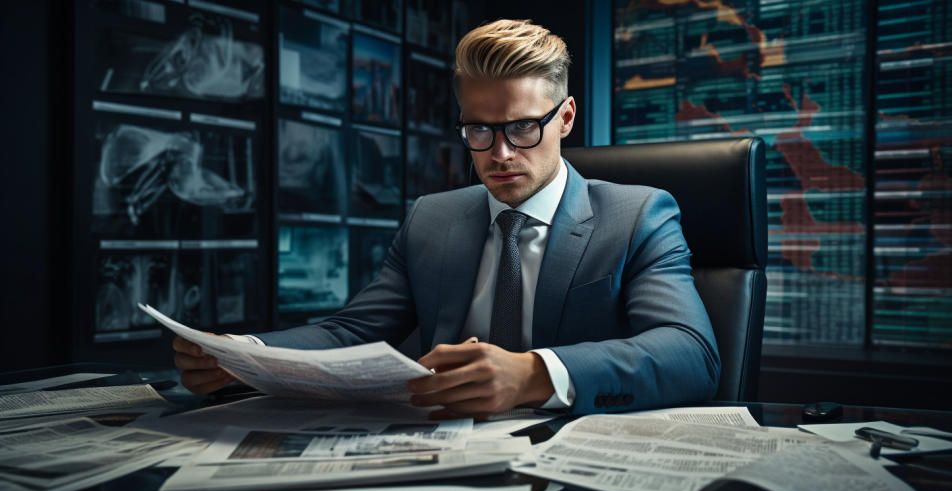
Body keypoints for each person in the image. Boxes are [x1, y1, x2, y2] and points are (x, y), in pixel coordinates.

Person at [174, 19, 720, 419]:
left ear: (566, 117)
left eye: (524, 127)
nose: (500, 154)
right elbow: (351, 332)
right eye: (479, 130)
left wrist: (533, 372)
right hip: (437, 446)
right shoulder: (433, 217)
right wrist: (247, 357)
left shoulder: (639, 214)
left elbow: (689, 352)